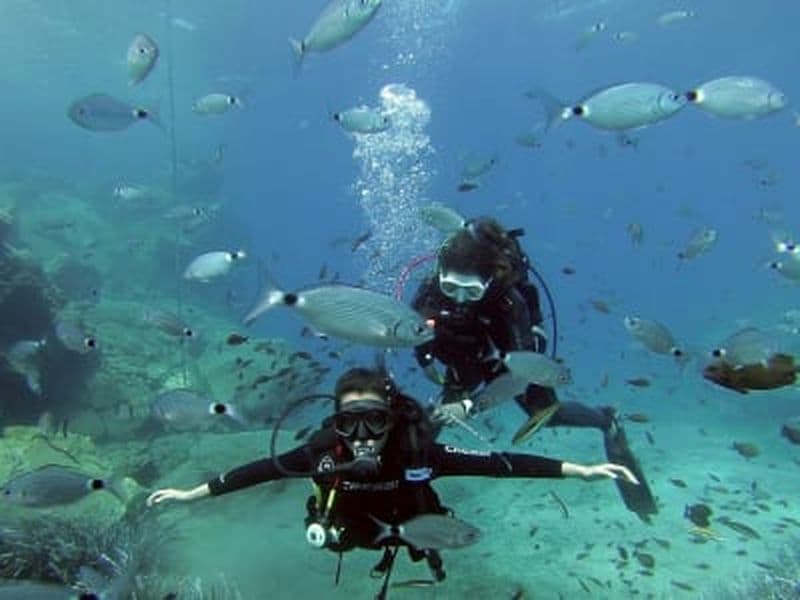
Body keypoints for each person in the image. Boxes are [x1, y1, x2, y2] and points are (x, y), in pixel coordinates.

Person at [147, 367, 638, 597]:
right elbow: (260, 470)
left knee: (426, 542)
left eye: (374, 420)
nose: (361, 435)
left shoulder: (417, 451)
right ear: (335, 422)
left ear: (392, 419)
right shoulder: (324, 453)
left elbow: (499, 463)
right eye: (349, 422)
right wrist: (194, 493)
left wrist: (580, 471)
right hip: (348, 534)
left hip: (411, 529)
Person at [410, 216, 658, 522]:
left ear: (488, 282)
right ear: (439, 275)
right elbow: (413, 330)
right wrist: (425, 362)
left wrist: (470, 406)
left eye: (471, 291)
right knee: (433, 423)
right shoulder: (428, 291)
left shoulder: (509, 304)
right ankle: (409, 497)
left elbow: (520, 374)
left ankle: (604, 418)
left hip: (516, 360)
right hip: (464, 361)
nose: (460, 300)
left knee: (546, 416)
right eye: (451, 287)